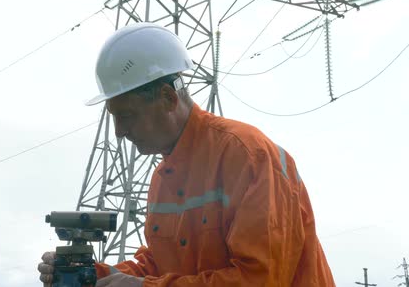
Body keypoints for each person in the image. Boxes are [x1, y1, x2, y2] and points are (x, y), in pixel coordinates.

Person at [38, 22, 335, 286]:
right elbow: (158, 265)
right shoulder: (163, 179)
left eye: (126, 116)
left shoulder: (247, 156)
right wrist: (90, 274)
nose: (118, 131)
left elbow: (261, 278)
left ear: (168, 98)